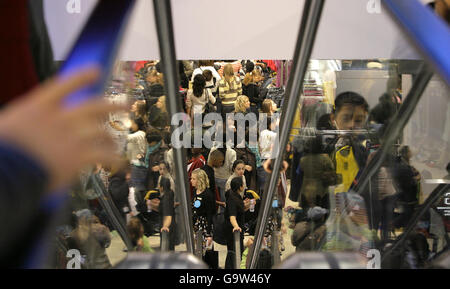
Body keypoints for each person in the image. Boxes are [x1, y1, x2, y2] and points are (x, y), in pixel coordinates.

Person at [224, 177, 250, 269]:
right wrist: (236, 227)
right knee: (234, 251)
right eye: (243, 184)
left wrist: (245, 205)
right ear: (240, 187)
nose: (244, 185)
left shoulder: (234, 194)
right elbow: (232, 216)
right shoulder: (232, 199)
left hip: (238, 227)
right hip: (234, 231)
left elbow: (239, 210)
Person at [190, 169, 216, 257]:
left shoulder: (208, 194)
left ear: (199, 180)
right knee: (196, 250)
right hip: (196, 223)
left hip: (204, 224)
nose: (191, 181)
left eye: (193, 179)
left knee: (204, 252)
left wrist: (208, 233)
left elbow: (210, 214)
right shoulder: (195, 191)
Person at [159, 177, 177, 251]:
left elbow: (168, 215)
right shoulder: (170, 193)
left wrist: (165, 226)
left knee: (167, 250)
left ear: (162, 187)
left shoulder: (165, 198)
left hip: (168, 225)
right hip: (172, 224)